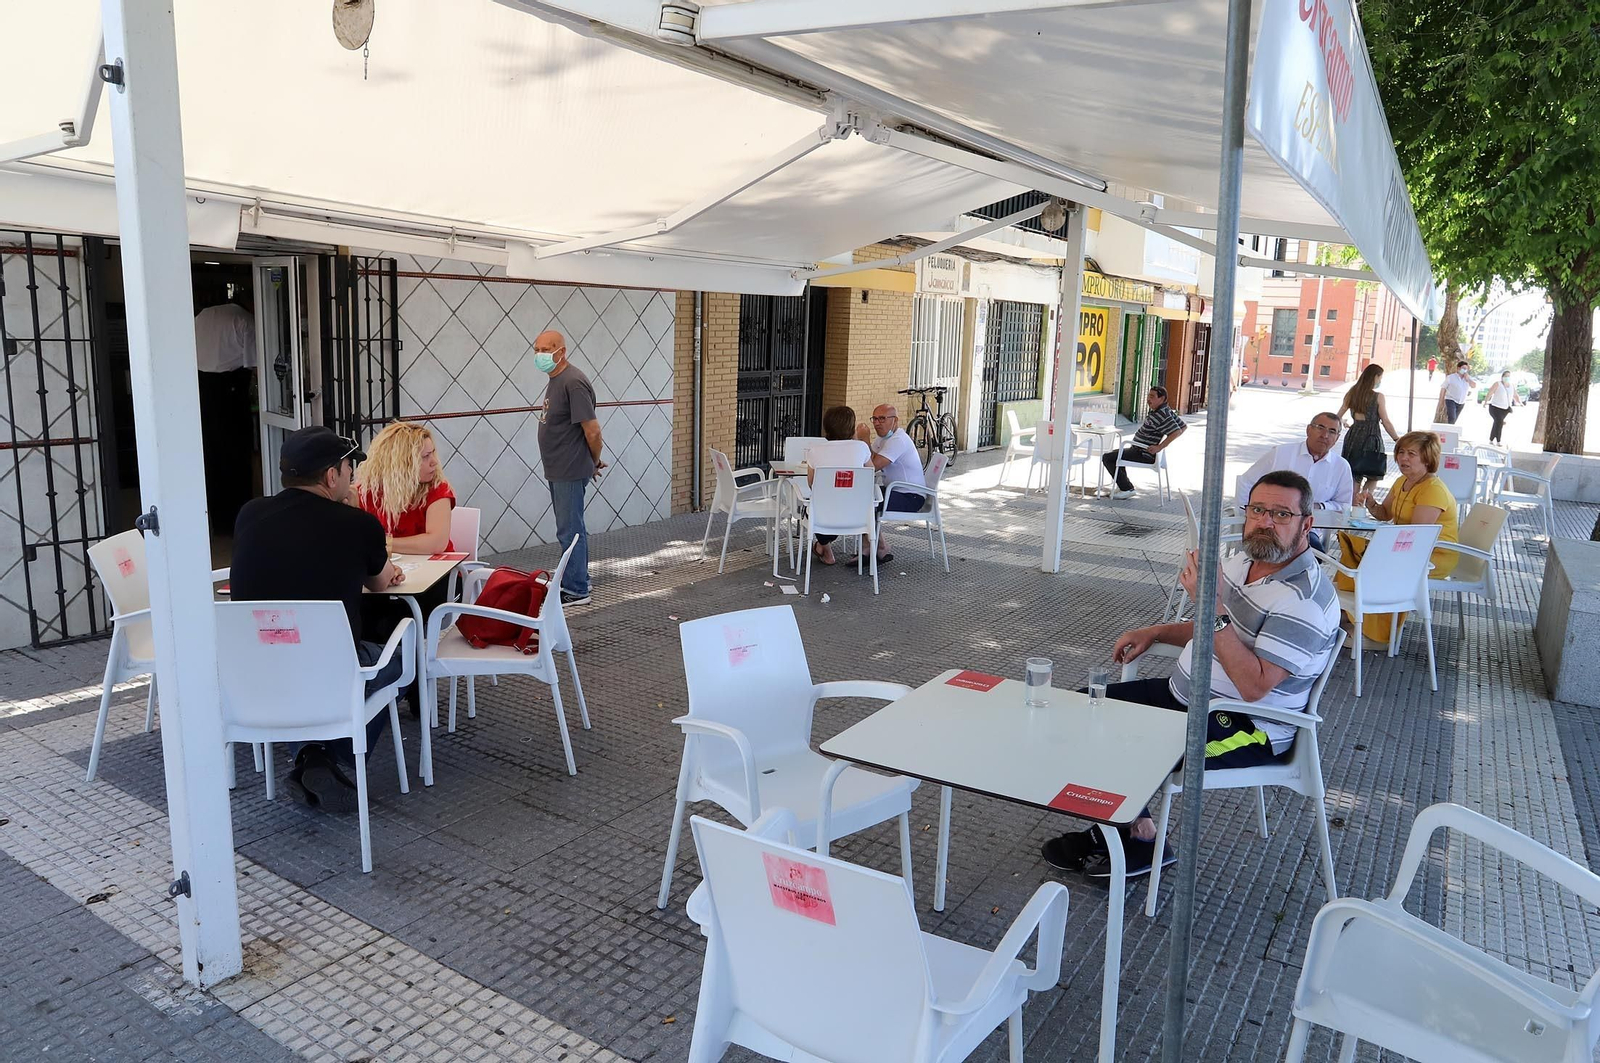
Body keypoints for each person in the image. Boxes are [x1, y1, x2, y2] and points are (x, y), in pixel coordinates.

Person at [1041, 471, 1341, 878]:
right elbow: (1211, 625)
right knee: (1077, 709)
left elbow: (1253, 686)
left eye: (1281, 514)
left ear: (1306, 524)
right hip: (1185, 696)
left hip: (1246, 724)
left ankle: (1139, 840)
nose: (1266, 522)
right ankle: (1131, 827)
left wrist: (1213, 606)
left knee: (1127, 741)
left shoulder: (1304, 600)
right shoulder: (1245, 561)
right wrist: (1157, 631)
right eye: (1258, 510)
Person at [230, 426, 407, 812]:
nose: (352, 477)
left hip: (256, 674)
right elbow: (379, 583)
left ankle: (310, 756)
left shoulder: (250, 514)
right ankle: (330, 759)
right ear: (332, 476)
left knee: (321, 666)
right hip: (332, 672)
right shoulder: (357, 525)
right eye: (349, 469)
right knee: (400, 658)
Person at [1339, 431, 1459, 645]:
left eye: (1412, 453)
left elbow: (1416, 536)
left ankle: (1376, 633)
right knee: (1351, 551)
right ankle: (1349, 612)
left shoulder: (1432, 489)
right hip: (1405, 549)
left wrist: (1380, 549)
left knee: (1373, 565)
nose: (1403, 458)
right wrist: (1369, 503)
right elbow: (1385, 514)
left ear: (1427, 458)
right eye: (1401, 452)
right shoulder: (1402, 481)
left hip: (1433, 556)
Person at [532, 330, 605, 607]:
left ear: (561, 352)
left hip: (570, 468)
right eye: (537, 349)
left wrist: (593, 461)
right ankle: (575, 578)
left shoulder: (573, 382)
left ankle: (577, 589)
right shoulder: (557, 380)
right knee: (570, 527)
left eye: (546, 349)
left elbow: (593, 431)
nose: (540, 355)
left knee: (570, 529)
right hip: (561, 467)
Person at [194, 286, 256, 536]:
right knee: (236, 456)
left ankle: (217, 520)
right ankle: (238, 520)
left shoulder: (200, 317)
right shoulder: (244, 319)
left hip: (202, 388)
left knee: (210, 455)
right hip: (230, 390)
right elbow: (254, 363)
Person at [856, 403, 926, 565]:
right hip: (894, 491)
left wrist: (865, 439)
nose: (877, 423)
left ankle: (874, 547)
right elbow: (866, 460)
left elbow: (872, 466)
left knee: (866, 502)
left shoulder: (898, 440)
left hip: (911, 496)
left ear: (895, 421)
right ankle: (877, 547)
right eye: (874, 418)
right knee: (861, 497)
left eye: (882, 418)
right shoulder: (884, 438)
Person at [804, 405, 872, 568]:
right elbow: (870, 473)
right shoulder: (861, 448)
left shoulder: (814, 451)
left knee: (814, 505)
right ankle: (824, 548)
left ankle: (825, 549)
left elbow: (812, 484)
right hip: (857, 516)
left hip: (823, 517)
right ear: (851, 427)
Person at [1101, 386, 1185, 499]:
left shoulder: (1162, 415)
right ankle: (1124, 486)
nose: (1148, 399)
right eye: (1148, 396)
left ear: (1162, 399)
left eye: (1152, 397)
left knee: (1108, 457)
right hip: (1137, 449)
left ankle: (1127, 488)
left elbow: (1177, 431)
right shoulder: (1163, 410)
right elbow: (1183, 426)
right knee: (1116, 454)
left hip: (1143, 453)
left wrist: (1159, 447)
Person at [1334, 364, 1400, 498]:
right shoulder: (1378, 397)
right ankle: (1361, 504)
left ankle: (1350, 506)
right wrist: (1397, 439)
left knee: (1354, 474)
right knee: (1373, 474)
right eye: (1380, 377)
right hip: (1372, 438)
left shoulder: (1352, 393)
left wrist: (1344, 422)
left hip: (1353, 436)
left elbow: (1337, 416)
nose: (1380, 380)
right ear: (1375, 377)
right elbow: (1385, 421)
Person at [1485, 370, 1519, 444]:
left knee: (1497, 423)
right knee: (1499, 422)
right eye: (1505, 376)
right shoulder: (1498, 384)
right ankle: (1498, 441)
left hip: (1505, 409)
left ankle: (1491, 439)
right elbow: (1490, 392)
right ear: (1502, 377)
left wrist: (1520, 403)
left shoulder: (1511, 386)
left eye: (1508, 376)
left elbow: (1515, 395)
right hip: (1495, 407)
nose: (1507, 378)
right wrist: (1485, 402)